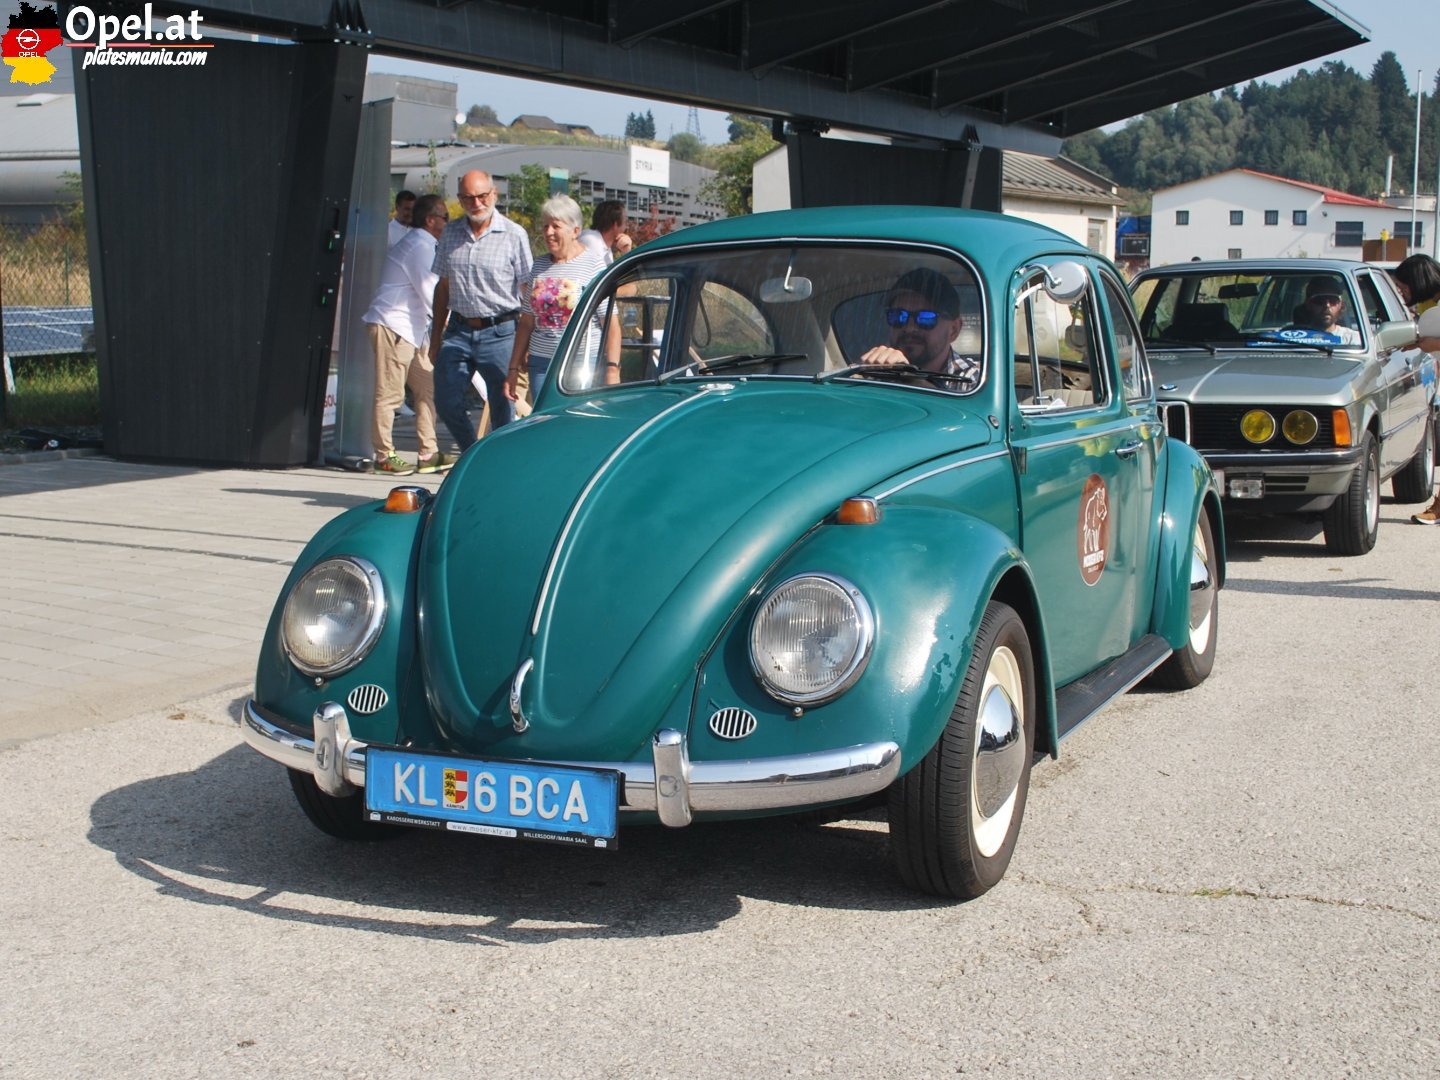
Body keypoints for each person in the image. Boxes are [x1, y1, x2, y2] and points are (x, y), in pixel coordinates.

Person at [428, 170, 533, 450]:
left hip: (501, 332)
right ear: (460, 199)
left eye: (482, 196)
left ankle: (498, 463)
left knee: (503, 408)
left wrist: (527, 343)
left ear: (494, 194)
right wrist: (436, 336)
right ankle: (471, 452)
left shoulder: (514, 235)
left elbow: (528, 291)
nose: (476, 203)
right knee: (446, 400)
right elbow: (443, 287)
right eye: (468, 198)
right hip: (458, 330)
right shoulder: (450, 233)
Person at [362, 194, 452, 475]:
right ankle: (384, 454)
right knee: (389, 394)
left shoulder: (427, 244)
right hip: (394, 326)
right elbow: (430, 293)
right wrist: (452, 323)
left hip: (412, 331)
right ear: (430, 220)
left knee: (427, 387)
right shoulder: (420, 246)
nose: (449, 222)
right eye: (445, 217)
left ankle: (428, 453)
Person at [504, 194, 621, 402]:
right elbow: (527, 321)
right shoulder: (539, 265)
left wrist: (613, 369)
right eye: (545, 226)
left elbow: (610, 322)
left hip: (580, 363)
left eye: (555, 227)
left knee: (577, 422)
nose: (549, 233)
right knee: (545, 421)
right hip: (541, 362)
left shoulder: (593, 265)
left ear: (575, 231)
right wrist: (513, 367)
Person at [858, 268, 981, 391]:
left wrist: (910, 377)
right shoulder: (874, 373)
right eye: (898, 316)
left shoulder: (975, 380)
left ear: (954, 330)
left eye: (925, 318)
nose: (910, 328)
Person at [1391, 254, 1440, 524]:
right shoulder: (1427, 304)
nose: (1402, 290)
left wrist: (1429, 343)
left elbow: (1432, 340)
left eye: (1404, 285)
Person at [1286, 276, 1361, 344]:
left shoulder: (1353, 340)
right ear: (1308, 304)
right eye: (1319, 300)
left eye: (1333, 300)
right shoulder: (1288, 338)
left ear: (1340, 304)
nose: (1327, 305)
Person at [578, 199, 628, 264]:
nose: (626, 227)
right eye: (625, 222)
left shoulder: (606, 248)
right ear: (615, 225)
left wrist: (626, 252)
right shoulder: (592, 241)